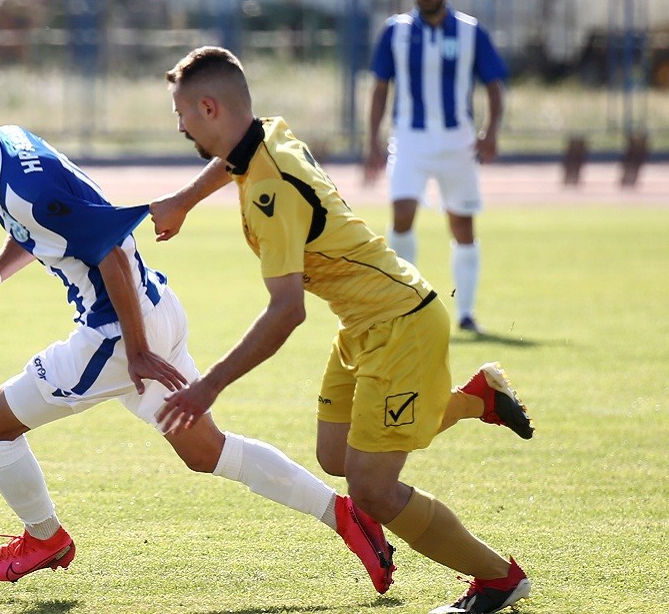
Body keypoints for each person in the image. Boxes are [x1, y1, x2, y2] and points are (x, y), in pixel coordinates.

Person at [0, 58, 395, 590]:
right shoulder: (8, 146)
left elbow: (108, 251)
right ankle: (345, 514)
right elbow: (40, 229)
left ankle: (44, 539)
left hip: (117, 336)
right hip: (155, 309)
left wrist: (135, 352)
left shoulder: (21, 183)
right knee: (208, 452)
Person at [151, 46, 534, 614]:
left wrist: (208, 386)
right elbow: (232, 160)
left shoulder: (271, 189)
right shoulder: (263, 134)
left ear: (209, 108)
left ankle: (498, 578)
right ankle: (478, 400)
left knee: (371, 489)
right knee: (335, 454)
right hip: (364, 323)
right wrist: (184, 201)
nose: (180, 125)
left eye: (182, 113)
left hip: (400, 326)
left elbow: (286, 312)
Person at [364, 0, 507, 334]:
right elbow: (380, 88)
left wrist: (491, 131)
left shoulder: (470, 32)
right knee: (402, 214)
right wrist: (372, 138)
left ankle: (466, 313)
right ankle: (406, 307)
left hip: (458, 140)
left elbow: (494, 85)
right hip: (409, 138)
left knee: (462, 223)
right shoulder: (395, 31)